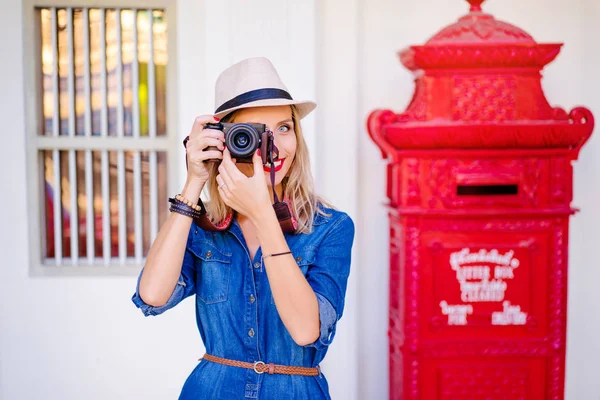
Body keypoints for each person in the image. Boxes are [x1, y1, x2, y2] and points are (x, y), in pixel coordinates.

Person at [132, 57, 355, 399]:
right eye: (254, 133)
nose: (275, 146)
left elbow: (306, 329)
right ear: (224, 140)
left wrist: (264, 215)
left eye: (284, 128)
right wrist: (194, 181)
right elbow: (152, 295)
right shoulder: (204, 226)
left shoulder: (331, 227)